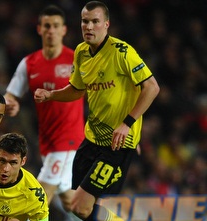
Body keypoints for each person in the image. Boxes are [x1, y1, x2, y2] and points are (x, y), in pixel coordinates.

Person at [34, 1, 160, 220]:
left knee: (82, 207)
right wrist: (51, 95)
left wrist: (127, 124)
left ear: (106, 24)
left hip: (117, 145)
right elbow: (77, 89)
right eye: (85, 21)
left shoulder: (122, 52)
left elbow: (152, 87)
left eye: (95, 21)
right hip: (91, 140)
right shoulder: (81, 52)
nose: (89, 27)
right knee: (76, 207)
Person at [4, 5, 85, 217]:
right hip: (47, 141)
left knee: (39, 195)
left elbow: (99, 94)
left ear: (64, 30)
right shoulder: (29, 63)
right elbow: (10, 95)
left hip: (69, 140)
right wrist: (10, 103)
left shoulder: (76, 61)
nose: (51, 30)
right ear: (39, 29)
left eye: (56, 26)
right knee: (71, 203)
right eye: (47, 26)